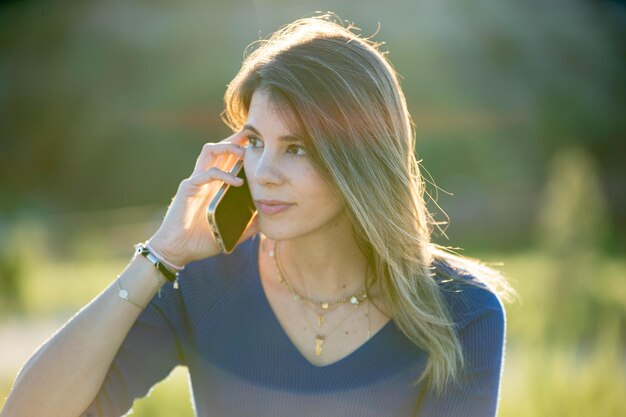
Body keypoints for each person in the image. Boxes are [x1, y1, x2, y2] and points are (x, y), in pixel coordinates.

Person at [1, 13, 515, 417]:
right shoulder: (204, 284)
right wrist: (157, 256)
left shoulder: (461, 313)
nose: (263, 172)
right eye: (255, 142)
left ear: (361, 159)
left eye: (296, 148)